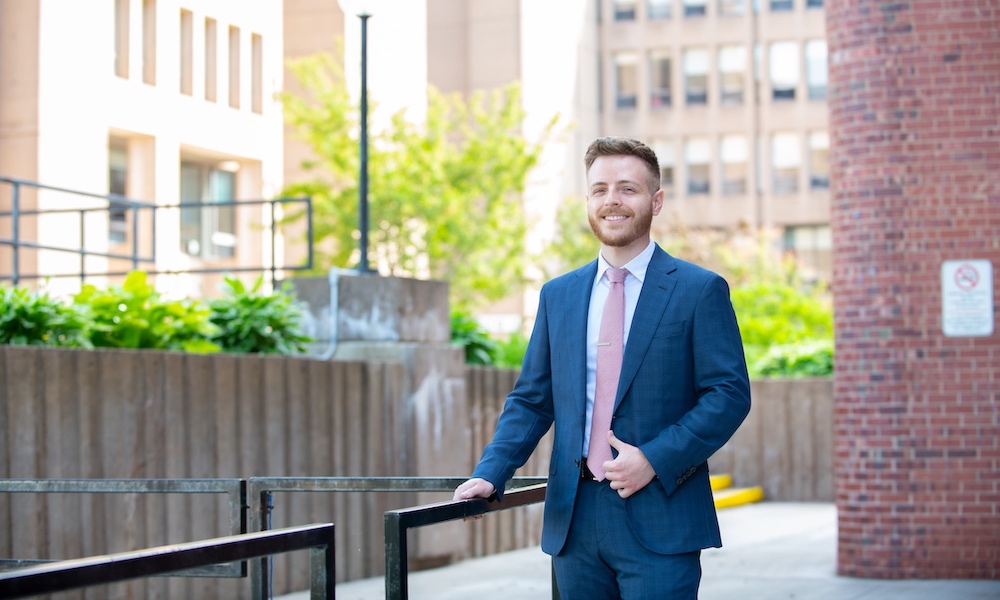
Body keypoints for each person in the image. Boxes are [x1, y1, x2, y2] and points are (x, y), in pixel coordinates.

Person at [453, 136, 752, 599]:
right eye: (599, 189)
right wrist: (491, 471)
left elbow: (729, 394)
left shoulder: (699, 290)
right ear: (588, 200)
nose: (611, 199)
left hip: (661, 516)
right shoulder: (559, 295)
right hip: (574, 519)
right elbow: (533, 399)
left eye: (627, 189)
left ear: (655, 201)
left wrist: (654, 459)